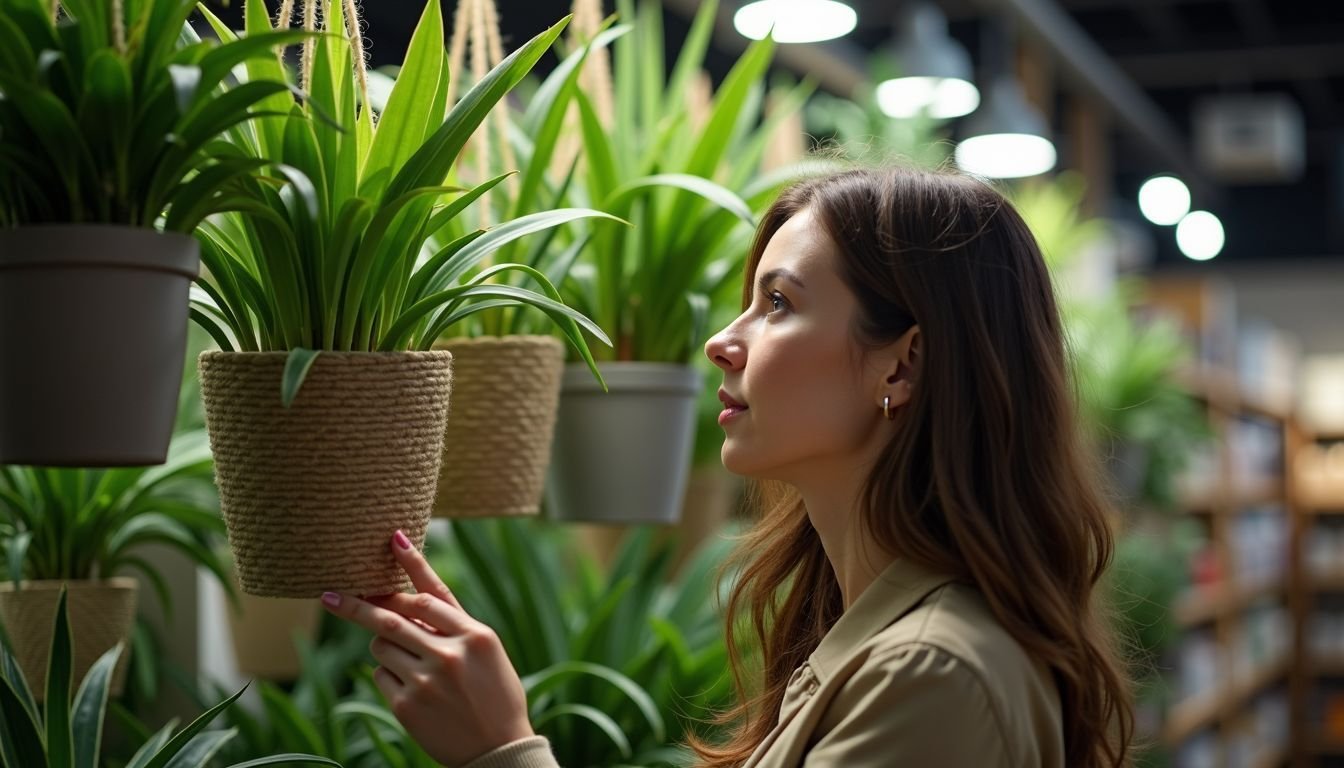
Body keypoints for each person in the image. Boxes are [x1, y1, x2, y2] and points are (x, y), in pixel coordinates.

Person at [321, 167, 1135, 768]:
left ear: (901, 367)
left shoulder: (931, 675)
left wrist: (501, 749)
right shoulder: (867, 637)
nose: (723, 340)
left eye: (777, 303)